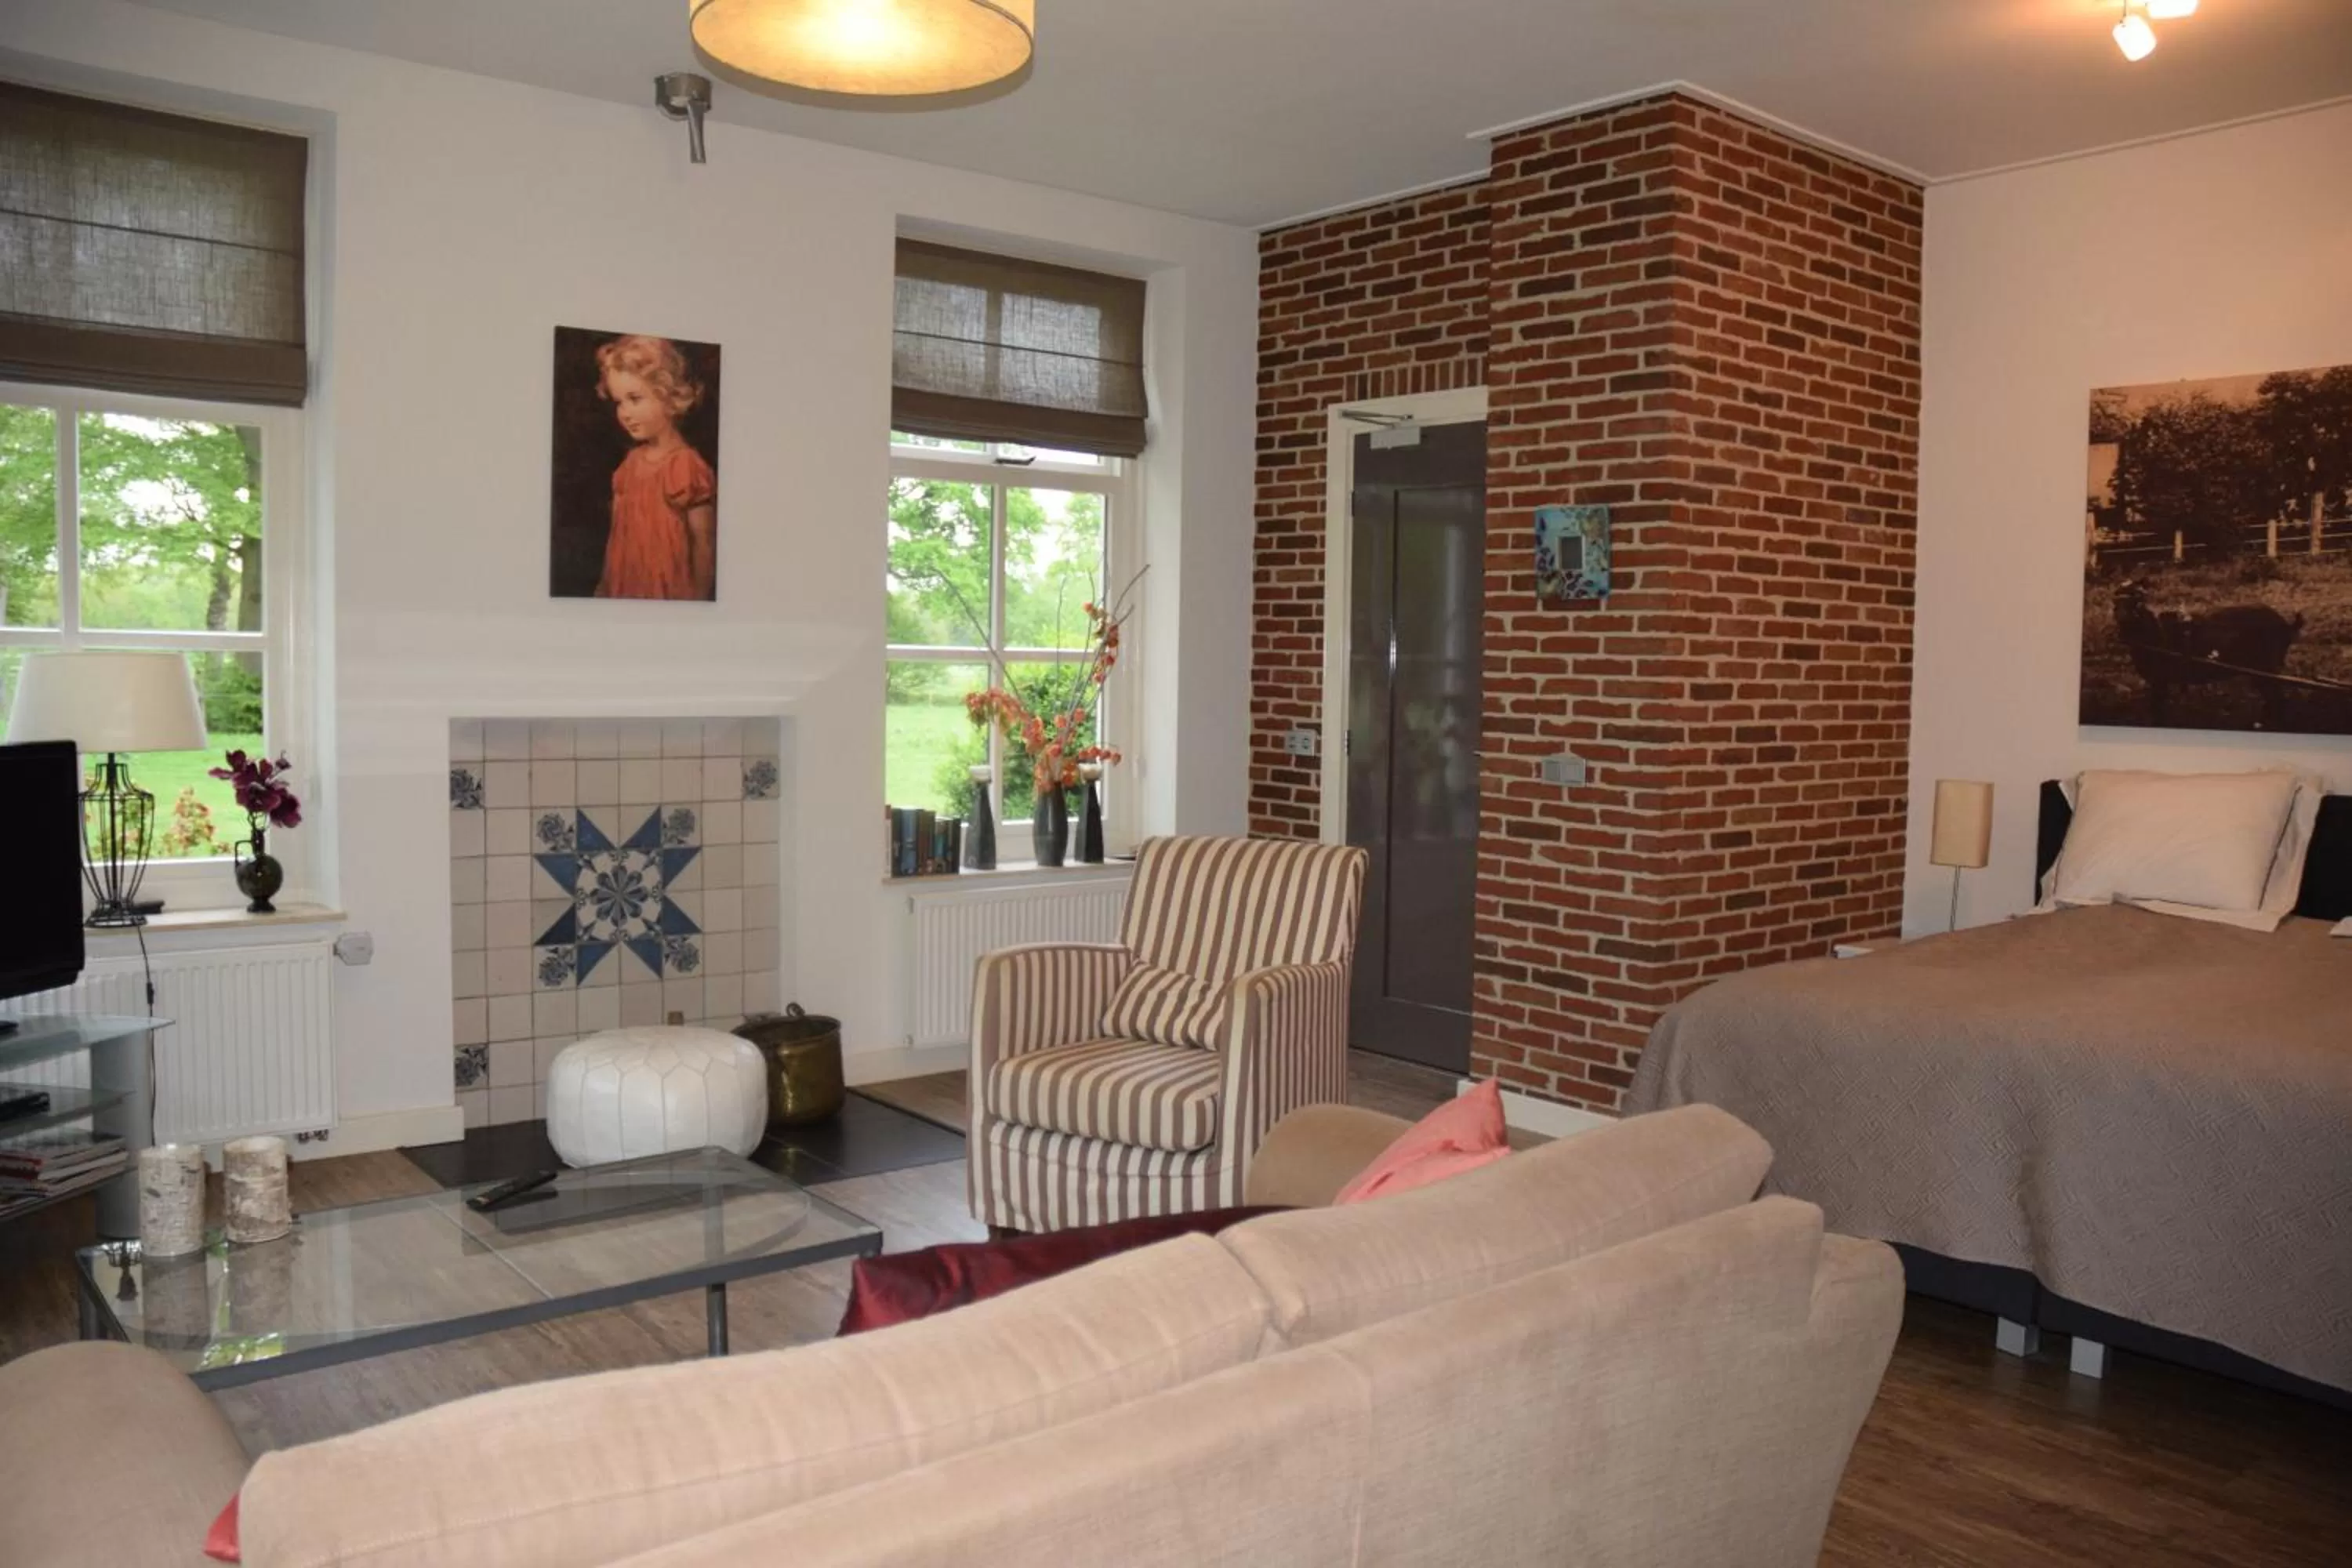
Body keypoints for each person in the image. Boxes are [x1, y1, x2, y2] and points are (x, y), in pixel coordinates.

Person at [592, 335, 716, 601]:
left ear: (668, 397)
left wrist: (698, 605)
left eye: (635, 399)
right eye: (619, 402)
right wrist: (603, 588)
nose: (624, 413)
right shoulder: (629, 466)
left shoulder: (686, 466)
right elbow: (616, 536)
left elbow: (705, 546)